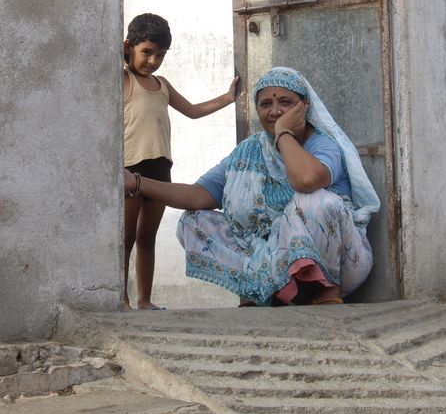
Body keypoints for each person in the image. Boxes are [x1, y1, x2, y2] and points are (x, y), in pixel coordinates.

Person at [125, 66, 379, 307]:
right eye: (265, 104)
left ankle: (324, 291)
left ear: (304, 107)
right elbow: (195, 196)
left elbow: (306, 180)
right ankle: (261, 290)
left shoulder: (322, 145)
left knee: (316, 201)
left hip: (343, 266)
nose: (275, 111)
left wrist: (283, 133)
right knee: (193, 221)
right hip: (272, 261)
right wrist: (137, 182)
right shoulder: (250, 150)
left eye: (285, 103)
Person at [124, 12, 238, 310]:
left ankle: (144, 300)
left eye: (159, 55)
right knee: (124, 240)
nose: (152, 61)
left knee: (146, 236)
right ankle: (119, 299)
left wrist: (227, 99)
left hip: (160, 169)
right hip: (129, 169)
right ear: (129, 47)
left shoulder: (162, 84)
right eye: (146, 52)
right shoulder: (123, 80)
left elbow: (192, 110)